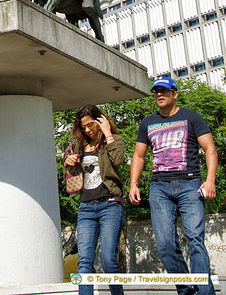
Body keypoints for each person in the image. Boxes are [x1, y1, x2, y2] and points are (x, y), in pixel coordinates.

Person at [129, 76, 218, 295]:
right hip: (159, 188)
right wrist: (133, 183)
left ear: (174, 94)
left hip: (190, 184)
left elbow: (210, 149)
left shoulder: (191, 117)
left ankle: (205, 293)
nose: (159, 94)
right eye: (156, 91)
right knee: (165, 245)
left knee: (195, 239)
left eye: (164, 91)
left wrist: (210, 180)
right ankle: (186, 290)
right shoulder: (147, 122)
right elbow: (139, 156)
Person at [64, 105, 125, 295]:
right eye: (84, 127)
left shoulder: (115, 140)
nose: (88, 130)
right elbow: (74, 177)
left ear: (100, 121)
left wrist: (108, 134)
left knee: (108, 260)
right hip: (86, 208)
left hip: (110, 205)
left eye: (91, 125)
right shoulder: (79, 146)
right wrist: (69, 164)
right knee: (84, 262)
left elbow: (118, 160)